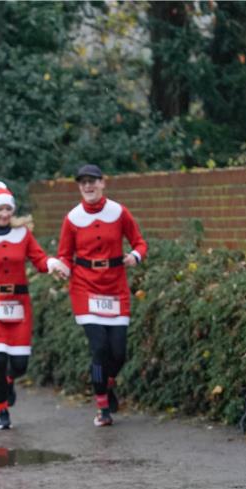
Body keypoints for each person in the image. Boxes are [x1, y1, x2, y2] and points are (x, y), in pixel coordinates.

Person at [0, 181, 68, 431]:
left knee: (19, 365)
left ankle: (9, 380)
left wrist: (52, 264)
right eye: (0, 209)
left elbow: (39, 259)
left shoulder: (23, 235)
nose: (4, 214)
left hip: (19, 303)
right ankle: (2, 411)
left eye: (8, 209)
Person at [53, 165, 148, 427]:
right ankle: (102, 408)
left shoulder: (119, 212)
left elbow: (140, 242)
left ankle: (107, 383)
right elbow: (65, 254)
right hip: (85, 287)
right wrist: (62, 267)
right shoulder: (72, 218)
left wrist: (135, 256)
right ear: (79, 187)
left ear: (102, 183)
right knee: (100, 348)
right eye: (83, 182)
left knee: (118, 353)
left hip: (115, 287)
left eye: (92, 181)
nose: (88, 186)